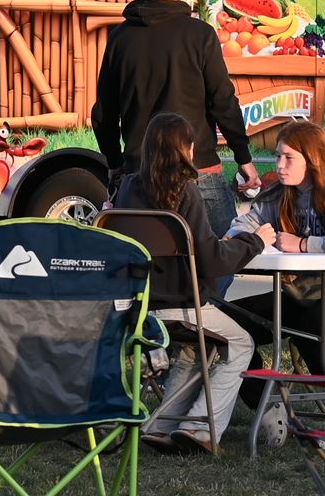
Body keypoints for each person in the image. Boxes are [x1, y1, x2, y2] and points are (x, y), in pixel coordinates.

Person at [108, 112, 260, 452]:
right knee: (241, 344)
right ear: (186, 150)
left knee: (197, 347)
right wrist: (255, 241)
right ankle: (201, 430)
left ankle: (162, 425)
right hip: (181, 306)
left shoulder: (127, 188)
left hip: (136, 307)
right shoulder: (186, 193)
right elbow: (212, 260)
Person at [89, 0, 258, 233]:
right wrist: (243, 157)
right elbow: (223, 101)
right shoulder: (201, 35)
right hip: (199, 170)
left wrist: (115, 162)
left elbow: (104, 112)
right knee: (219, 259)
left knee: (146, 260)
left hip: (139, 172)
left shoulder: (120, 38)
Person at [222, 120, 325, 379]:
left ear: (313, 159)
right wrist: (237, 237)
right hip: (302, 296)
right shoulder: (279, 196)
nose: (279, 165)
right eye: (277, 156)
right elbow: (245, 223)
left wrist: (303, 244)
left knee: (312, 327)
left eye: (288, 158)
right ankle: (268, 410)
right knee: (226, 324)